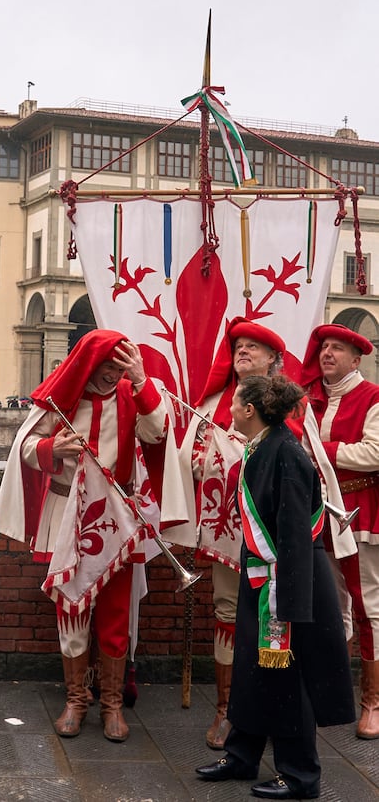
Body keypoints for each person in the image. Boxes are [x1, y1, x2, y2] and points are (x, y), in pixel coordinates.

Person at [0, 329, 166, 743]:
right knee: (71, 610)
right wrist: (53, 448)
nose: (111, 374)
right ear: (89, 363)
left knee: (116, 615)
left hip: (117, 521)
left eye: (118, 367)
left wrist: (141, 381)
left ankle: (112, 705)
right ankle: (76, 700)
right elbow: (26, 445)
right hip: (67, 513)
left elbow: (156, 432)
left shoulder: (130, 395)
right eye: (106, 365)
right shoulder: (61, 400)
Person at [196, 374, 355, 800]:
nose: (229, 408)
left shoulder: (285, 453)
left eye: (235, 402)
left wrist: (288, 600)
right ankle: (242, 754)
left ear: (250, 410)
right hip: (263, 578)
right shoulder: (264, 445)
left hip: (286, 584)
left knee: (287, 679)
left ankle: (300, 775)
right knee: (253, 669)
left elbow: (293, 534)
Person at [180, 317, 286, 750]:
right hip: (226, 529)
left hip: (275, 535)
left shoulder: (289, 402)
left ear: (273, 360)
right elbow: (189, 453)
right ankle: (226, 710)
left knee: (275, 618)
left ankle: (272, 708)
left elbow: (302, 458)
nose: (243, 350)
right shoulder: (212, 401)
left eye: (253, 347)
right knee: (227, 611)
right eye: (239, 345)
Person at [301, 323, 379, 739]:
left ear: (356, 358)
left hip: (359, 512)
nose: (327, 353)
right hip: (320, 514)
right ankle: (334, 693)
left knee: (368, 606)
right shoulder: (311, 400)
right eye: (324, 347)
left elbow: (374, 452)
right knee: (330, 606)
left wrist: (320, 449)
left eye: (337, 348)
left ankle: (373, 701)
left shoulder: (373, 397)